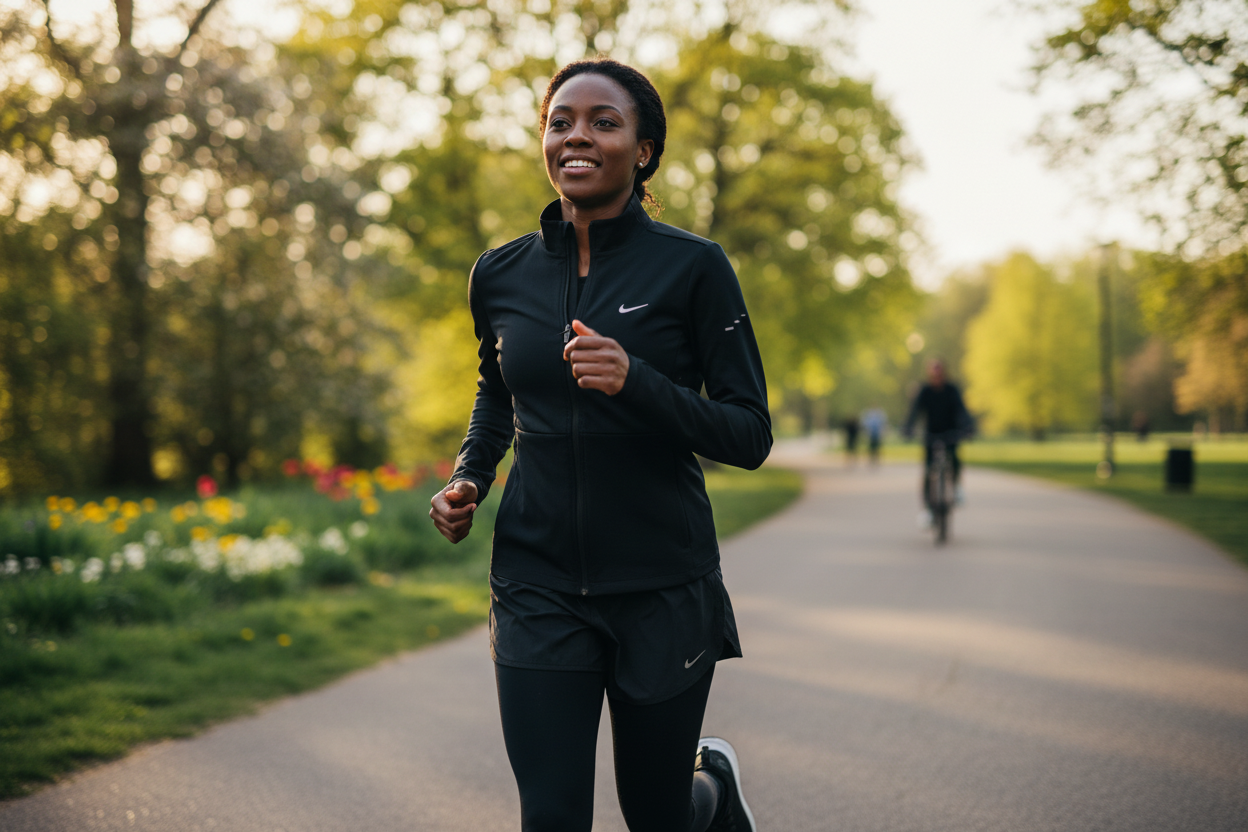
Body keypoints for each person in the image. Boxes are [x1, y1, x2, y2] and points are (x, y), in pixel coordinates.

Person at [428, 58, 769, 832]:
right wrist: (470, 479)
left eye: (603, 122)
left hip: (662, 586)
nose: (577, 136)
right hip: (535, 583)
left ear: (643, 150)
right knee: (551, 818)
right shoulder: (500, 274)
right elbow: (498, 393)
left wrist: (636, 381)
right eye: (561, 121)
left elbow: (750, 433)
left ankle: (709, 793)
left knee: (657, 813)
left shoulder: (694, 267)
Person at [903, 359, 973, 522]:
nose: (937, 377)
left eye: (939, 373)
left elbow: (962, 410)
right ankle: (928, 509)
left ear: (944, 373)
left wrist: (968, 427)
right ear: (929, 374)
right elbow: (914, 411)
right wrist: (908, 427)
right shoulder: (925, 391)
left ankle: (956, 488)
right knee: (928, 470)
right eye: (934, 374)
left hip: (951, 432)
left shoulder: (952, 390)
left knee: (954, 459)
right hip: (931, 434)